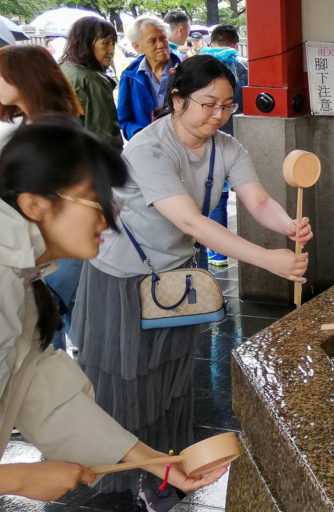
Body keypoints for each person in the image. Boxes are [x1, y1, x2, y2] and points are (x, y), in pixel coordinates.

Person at [71, 55, 311, 508]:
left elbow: (257, 201)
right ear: (177, 101)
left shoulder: (228, 146)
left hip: (174, 277)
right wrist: (267, 260)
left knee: (172, 376)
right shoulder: (148, 149)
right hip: (123, 277)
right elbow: (192, 222)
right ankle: (126, 477)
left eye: (226, 105)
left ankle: (169, 468)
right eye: (207, 104)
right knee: (128, 379)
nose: (217, 115)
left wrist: (287, 226)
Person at [0, 119, 226, 502]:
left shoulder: (20, 276)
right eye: (96, 198)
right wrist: (16, 480)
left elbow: (42, 393)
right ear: (35, 205)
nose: (111, 214)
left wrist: (155, 461)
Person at [0, 45, 84, 352]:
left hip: (53, 252)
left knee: (46, 335)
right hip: (41, 249)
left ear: (22, 78)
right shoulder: (34, 122)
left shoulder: (52, 129)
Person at [199, 24, 249, 266]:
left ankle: (214, 252)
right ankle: (220, 252)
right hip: (236, 135)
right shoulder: (243, 67)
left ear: (212, 41)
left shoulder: (199, 65)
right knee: (227, 190)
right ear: (235, 44)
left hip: (203, 139)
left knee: (210, 193)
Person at [61, 17, 123, 150]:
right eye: (105, 43)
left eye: (113, 43)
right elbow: (106, 138)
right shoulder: (93, 80)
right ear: (86, 43)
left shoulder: (64, 69)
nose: (111, 50)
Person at [118, 16, 182, 141]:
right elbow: (124, 119)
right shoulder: (129, 76)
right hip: (146, 146)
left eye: (163, 38)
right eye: (152, 41)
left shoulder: (185, 70)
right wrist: (138, 133)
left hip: (182, 144)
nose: (161, 45)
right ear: (137, 47)